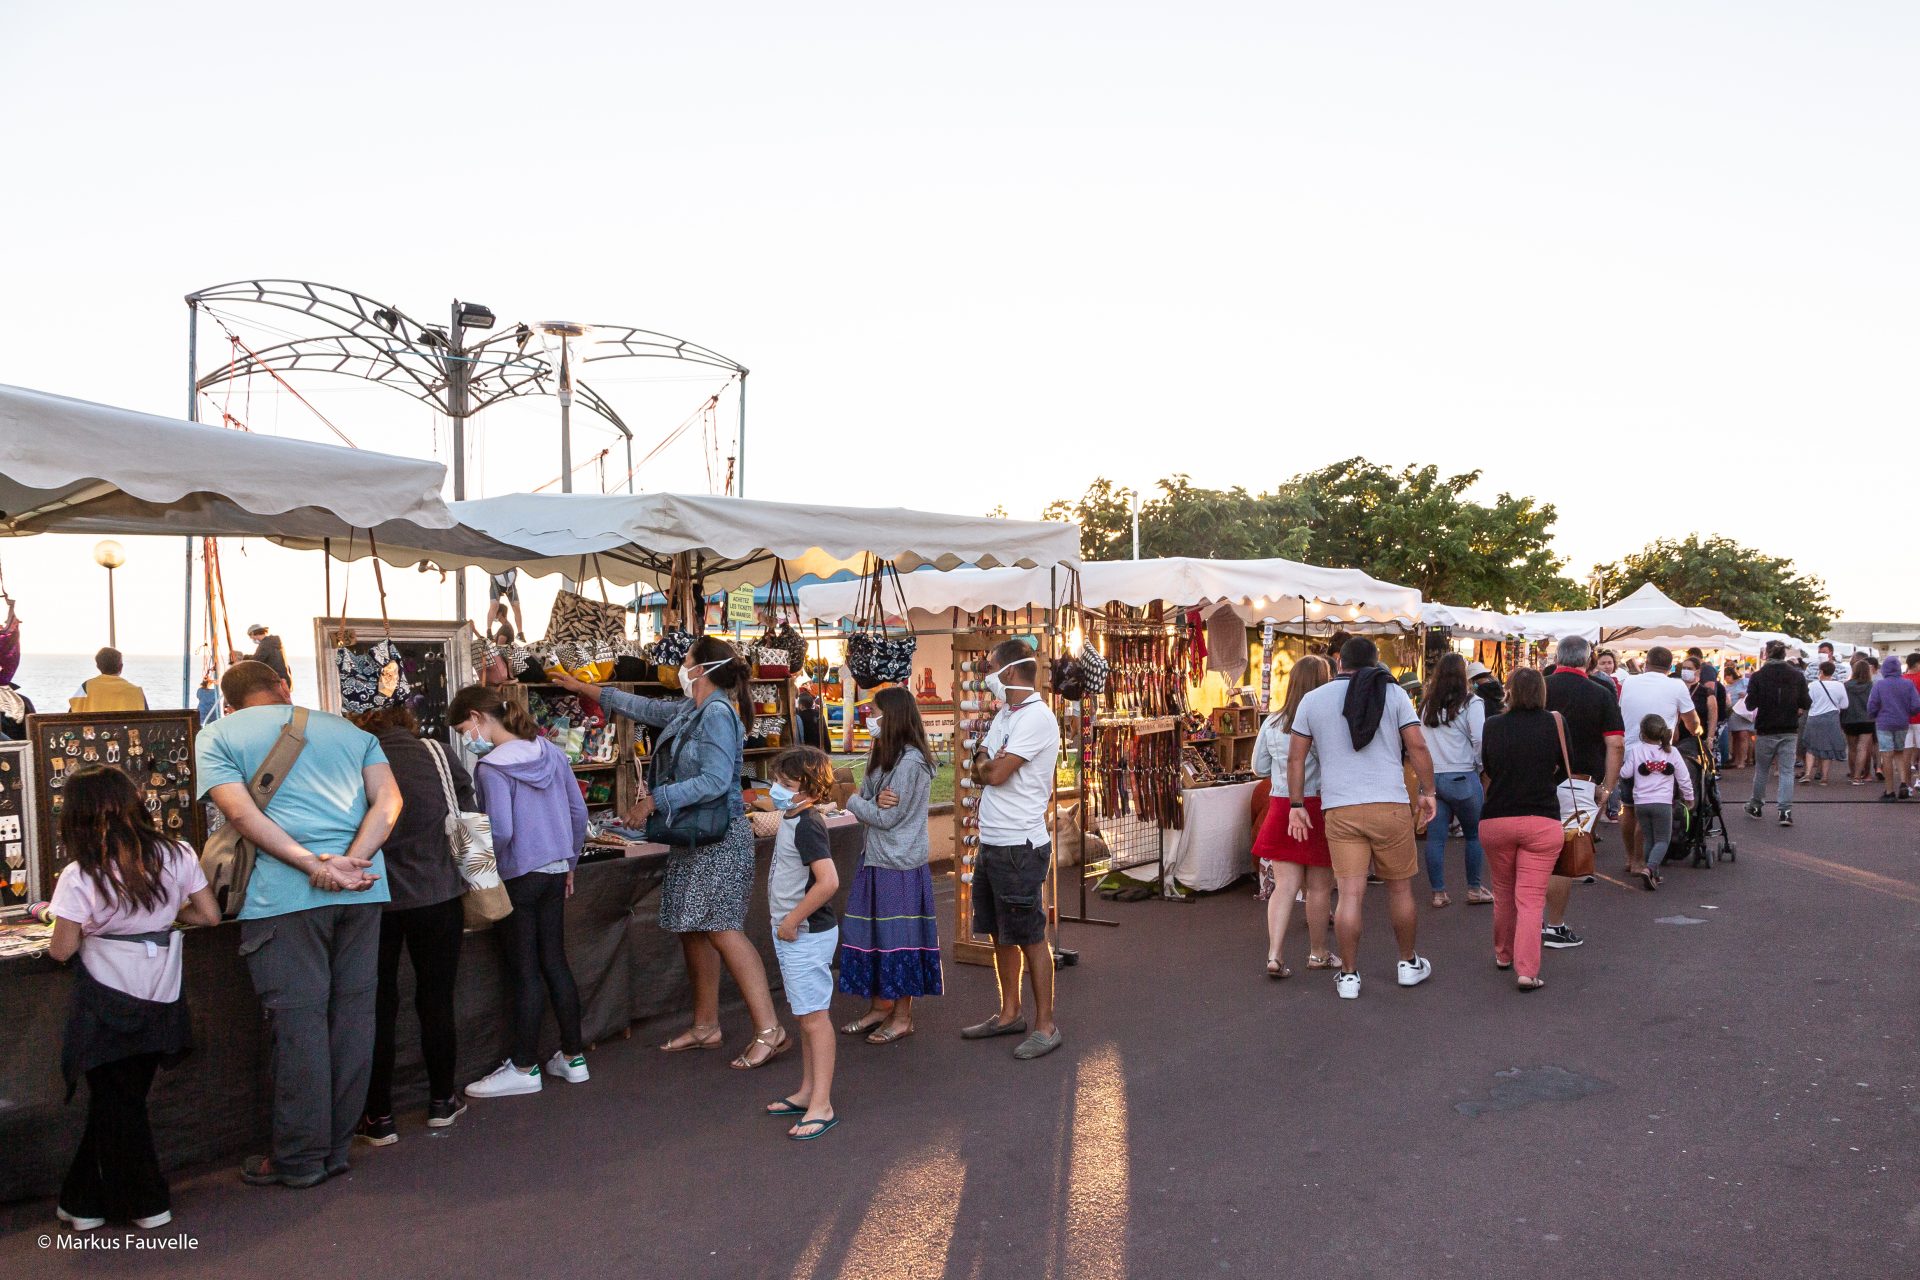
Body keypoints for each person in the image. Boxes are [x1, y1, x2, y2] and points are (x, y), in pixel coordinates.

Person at [195, 660, 400, 1188]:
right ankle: (334, 1150)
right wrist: (351, 861)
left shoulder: (218, 734)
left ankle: (301, 1159)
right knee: (354, 1020)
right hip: (363, 889)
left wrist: (315, 866)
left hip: (285, 898)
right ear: (285, 688)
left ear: (232, 702)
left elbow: (242, 817)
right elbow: (389, 801)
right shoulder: (350, 730)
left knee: (300, 1026)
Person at [551, 637, 786, 1069]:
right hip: (693, 839)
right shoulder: (691, 710)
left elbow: (716, 781)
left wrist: (655, 800)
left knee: (721, 928)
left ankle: (771, 1031)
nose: (680, 666)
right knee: (694, 928)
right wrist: (586, 689)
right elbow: (645, 710)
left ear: (702, 669)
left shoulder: (716, 714)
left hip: (718, 839)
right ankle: (705, 1025)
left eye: (686, 660)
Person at [48, 766, 221, 1232]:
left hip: (107, 995)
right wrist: (161, 910)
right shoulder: (177, 853)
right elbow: (209, 915)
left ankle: (148, 1202)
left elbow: (61, 948)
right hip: (161, 990)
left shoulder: (80, 873)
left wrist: (86, 922)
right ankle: (81, 1203)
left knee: (116, 1100)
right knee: (119, 1099)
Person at [449, 686, 590, 1098]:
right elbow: (577, 811)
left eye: (463, 728)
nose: (466, 738)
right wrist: (570, 863)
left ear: (477, 717)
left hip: (517, 876)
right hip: (554, 870)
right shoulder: (549, 750)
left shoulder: (491, 768)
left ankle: (525, 1065)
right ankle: (573, 1057)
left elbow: (504, 830)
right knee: (556, 961)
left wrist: (481, 866)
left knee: (524, 970)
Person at [345, 697, 474, 1142]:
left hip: (373, 898)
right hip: (438, 892)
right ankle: (441, 1101)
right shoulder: (435, 752)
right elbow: (469, 809)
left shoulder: (352, 758)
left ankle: (378, 1116)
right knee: (436, 1000)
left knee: (376, 1007)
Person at [1287, 635, 1437, 1001]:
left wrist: (1296, 804)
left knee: (1350, 895)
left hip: (1339, 806)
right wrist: (1429, 792)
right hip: (1390, 802)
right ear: (1375, 664)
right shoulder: (1395, 695)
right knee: (1400, 888)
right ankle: (1406, 964)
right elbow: (1416, 745)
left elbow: (1296, 758)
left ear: (1339, 663)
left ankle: (1350, 975)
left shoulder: (1313, 700)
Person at [959, 639, 1063, 1058]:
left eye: (991, 669)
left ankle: (1046, 1025)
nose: (987, 676)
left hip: (1020, 845)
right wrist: (986, 762)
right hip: (993, 842)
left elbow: (995, 771)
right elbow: (977, 761)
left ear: (1011, 672)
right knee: (1001, 932)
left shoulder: (1036, 718)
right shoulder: (1007, 714)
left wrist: (987, 763)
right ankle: (1009, 1013)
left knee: (1030, 935)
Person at [837, 685, 941, 1043]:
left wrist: (850, 801)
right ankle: (881, 1007)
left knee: (900, 940)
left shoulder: (912, 762)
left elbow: (885, 817)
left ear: (892, 717)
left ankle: (902, 1016)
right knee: (876, 937)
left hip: (899, 863)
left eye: (876, 713)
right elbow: (870, 800)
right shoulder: (883, 753)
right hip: (877, 858)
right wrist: (865, 801)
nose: (870, 718)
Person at [760, 747, 842, 1141]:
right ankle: (809, 1091)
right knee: (806, 1016)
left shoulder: (808, 823)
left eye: (786, 785)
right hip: (796, 934)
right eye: (777, 781)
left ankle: (821, 1105)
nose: (777, 789)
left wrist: (793, 920)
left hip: (805, 935)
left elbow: (828, 882)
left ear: (809, 789)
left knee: (814, 1018)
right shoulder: (793, 816)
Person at [1478, 668, 1567, 991]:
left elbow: (1487, 766)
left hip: (1497, 817)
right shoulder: (1554, 722)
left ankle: (1503, 954)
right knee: (1531, 898)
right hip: (1542, 818)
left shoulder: (1493, 725)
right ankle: (1527, 970)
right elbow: (1562, 764)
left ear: (1510, 690)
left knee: (1502, 892)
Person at [1250, 656, 1337, 977]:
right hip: (1316, 806)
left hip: (1281, 806)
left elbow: (1258, 767)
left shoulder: (1271, 722)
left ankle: (1274, 955)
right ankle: (1318, 953)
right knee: (1318, 888)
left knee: (1284, 887)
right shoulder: (1325, 723)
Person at [1541, 635, 1623, 952]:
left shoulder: (1540, 687)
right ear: (1588, 660)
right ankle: (1555, 926)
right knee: (1564, 857)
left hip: (1535, 784)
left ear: (1559, 656)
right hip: (1579, 785)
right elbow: (1615, 743)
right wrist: (1608, 788)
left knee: (1533, 855)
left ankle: (1529, 921)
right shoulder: (1601, 694)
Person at [1616, 647, 1700, 875]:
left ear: (1647, 663)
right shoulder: (1677, 686)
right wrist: (1698, 729)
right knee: (1647, 812)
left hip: (1631, 752)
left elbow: (1624, 709)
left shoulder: (1631, 683)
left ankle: (1629, 857)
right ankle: (1640, 861)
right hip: (1659, 757)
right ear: (1670, 666)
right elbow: (1692, 722)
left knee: (1629, 808)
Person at [1416, 654, 1490, 909]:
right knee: (1473, 834)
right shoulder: (1472, 703)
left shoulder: (1426, 705)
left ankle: (1438, 892)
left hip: (1432, 777)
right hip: (1463, 774)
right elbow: (1480, 738)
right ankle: (1474, 888)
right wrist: (1479, 765)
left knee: (1436, 838)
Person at [1619, 714, 1695, 890]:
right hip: (1662, 803)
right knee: (1663, 840)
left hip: (1641, 803)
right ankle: (1650, 868)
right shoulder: (1672, 752)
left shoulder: (1637, 751)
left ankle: (1654, 872)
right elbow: (1684, 778)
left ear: (1642, 733)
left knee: (1649, 838)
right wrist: (1689, 797)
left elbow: (1625, 773)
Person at [1743, 640, 1812, 826]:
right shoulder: (1796, 675)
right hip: (1789, 728)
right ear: (1784, 655)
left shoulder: (1758, 676)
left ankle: (1756, 805)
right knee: (1787, 771)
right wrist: (1795, 707)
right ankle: (1785, 811)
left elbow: (1750, 704)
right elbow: (1806, 702)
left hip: (1766, 727)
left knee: (1762, 770)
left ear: (1766, 654)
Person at [1866, 655, 1920, 801]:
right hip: (1902, 722)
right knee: (1899, 753)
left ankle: (1889, 791)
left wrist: (1874, 715)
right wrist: (1907, 713)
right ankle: (1904, 783)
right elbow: (1916, 705)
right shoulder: (1908, 684)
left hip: (1884, 723)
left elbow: (1872, 705)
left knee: (1887, 755)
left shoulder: (1879, 685)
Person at [1801, 661, 1850, 786]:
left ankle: (1807, 774)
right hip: (1831, 718)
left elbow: (1807, 703)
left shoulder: (1813, 685)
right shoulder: (1839, 685)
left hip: (1814, 718)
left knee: (1811, 747)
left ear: (1821, 671)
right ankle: (1824, 777)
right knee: (1827, 748)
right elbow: (1845, 705)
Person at [70, 648, 147, 713]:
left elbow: (72, 714)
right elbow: (147, 720)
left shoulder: (86, 687)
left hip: (94, 731)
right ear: (121, 667)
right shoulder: (136, 691)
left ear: (98, 666)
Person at [1842, 657, 1878, 785]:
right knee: (1863, 748)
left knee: (1852, 749)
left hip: (1849, 719)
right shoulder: (1871, 686)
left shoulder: (1845, 686)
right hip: (1867, 720)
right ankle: (1858, 777)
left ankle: (1852, 774)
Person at [1725, 661, 1756, 769]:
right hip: (1733, 713)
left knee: (1743, 735)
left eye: (1727, 677)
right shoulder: (1726, 687)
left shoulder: (1744, 681)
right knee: (1735, 736)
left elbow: (1754, 690)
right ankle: (1736, 758)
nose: (1726, 679)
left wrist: (1746, 694)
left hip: (1744, 713)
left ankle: (1743, 760)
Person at [487, 569, 525, 638]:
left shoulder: (506, 626)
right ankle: (489, 630)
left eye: (496, 616)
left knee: (516, 606)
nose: (496, 618)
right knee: (494, 605)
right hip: (497, 581)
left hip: (509, 584)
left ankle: (520, 633)